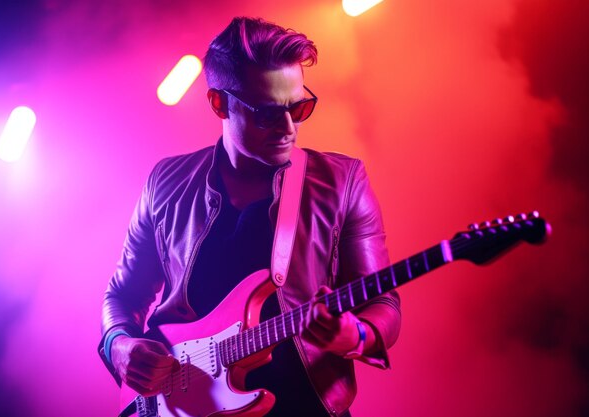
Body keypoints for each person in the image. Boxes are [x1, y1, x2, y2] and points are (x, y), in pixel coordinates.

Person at [99, 16, 401, 417]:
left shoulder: (343, 181)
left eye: (300, 107)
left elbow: (382, 302)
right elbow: (123, 295)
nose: (289, 128)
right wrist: (121, 346)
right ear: (219, 103)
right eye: (267, 113)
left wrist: (354, 334)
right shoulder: (165, 183)